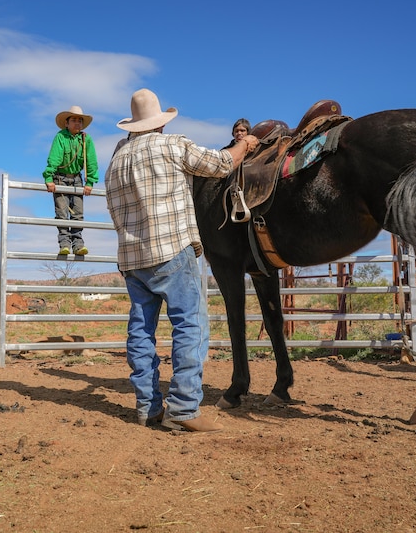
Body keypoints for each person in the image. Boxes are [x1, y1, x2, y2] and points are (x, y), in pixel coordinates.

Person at [104, 89, 259, 432]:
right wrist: (243, 146)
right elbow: (220, 164)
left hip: (132, 257)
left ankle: (148, 407)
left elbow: (114, 208)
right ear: (158, 124)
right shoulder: (171, 144)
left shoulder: (116, 157)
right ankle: (185, 409)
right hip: (172, 250)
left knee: (141, 331)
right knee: (190, 325)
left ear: (132, 125)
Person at [43, 105, 99, 255]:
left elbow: (91, 161)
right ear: (66, 123)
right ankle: (64, 244)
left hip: (77, 179)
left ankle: (78, 244)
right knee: (62, 213)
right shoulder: (60, 137)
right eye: (73, 120)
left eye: (79, 120)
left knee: (78, 213)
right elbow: (54, 157)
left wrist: (90, 182)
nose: (77, 123)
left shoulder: (86, 139)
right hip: (60, 178)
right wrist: (49, 177)